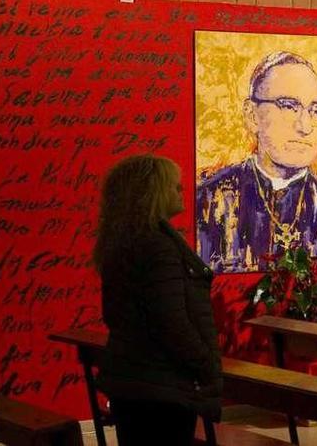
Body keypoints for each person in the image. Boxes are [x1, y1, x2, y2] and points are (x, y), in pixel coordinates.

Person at [94, 154, 222, 446]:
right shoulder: (158, 246)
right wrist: (205, 364)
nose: (181, 192)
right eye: (174, 187)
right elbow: (171, 322)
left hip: (135, 379)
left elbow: (113, 312)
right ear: (152, 194)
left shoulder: (125, 240)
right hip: (162, 384)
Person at [196, 51, 317, 273]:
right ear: (252, 115)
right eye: (289, 106)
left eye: (316, 111)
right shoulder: (206, 202)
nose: (305, 127)